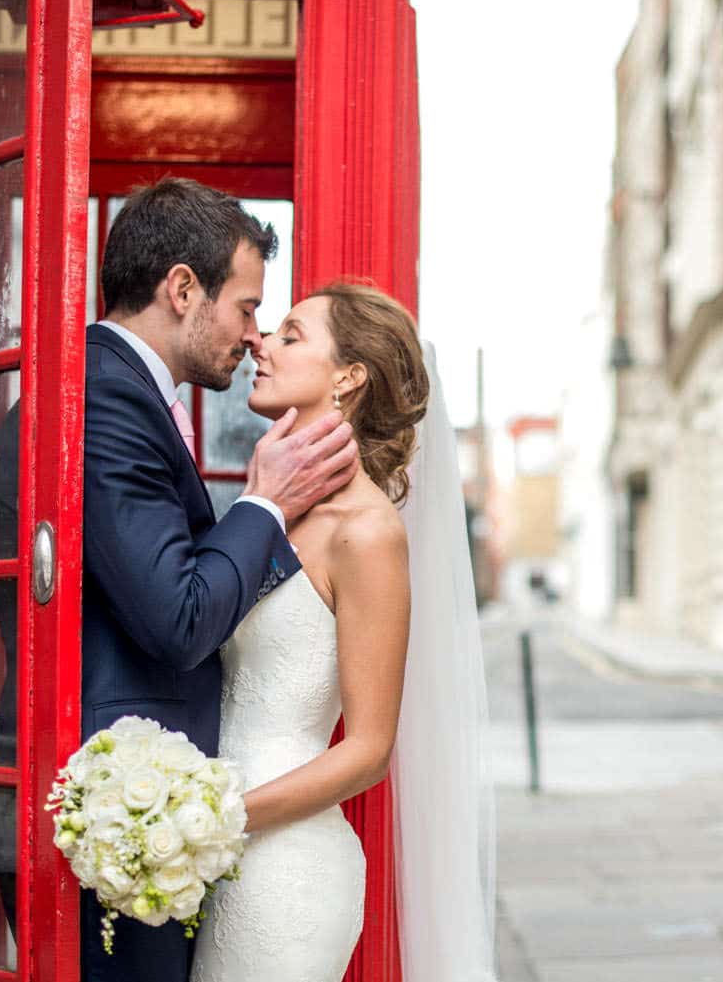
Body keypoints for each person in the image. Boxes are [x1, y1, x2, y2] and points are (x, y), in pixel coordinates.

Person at [76, 178, 359, 982]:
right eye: (245, 306)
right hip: (131, 817)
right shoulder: (108, 397)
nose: (255, 334)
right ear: (181, 289)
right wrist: (264, 502)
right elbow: (179, 615)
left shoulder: (126, 395)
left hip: (198, 830)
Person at [190, 283, 497, 982]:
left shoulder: (367, 533)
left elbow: (368, 748)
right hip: (213, 855)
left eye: (291, 334)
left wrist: (221, 817)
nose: (260, 342)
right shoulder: (265, 505)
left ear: (349, 376)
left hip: (281, 867)